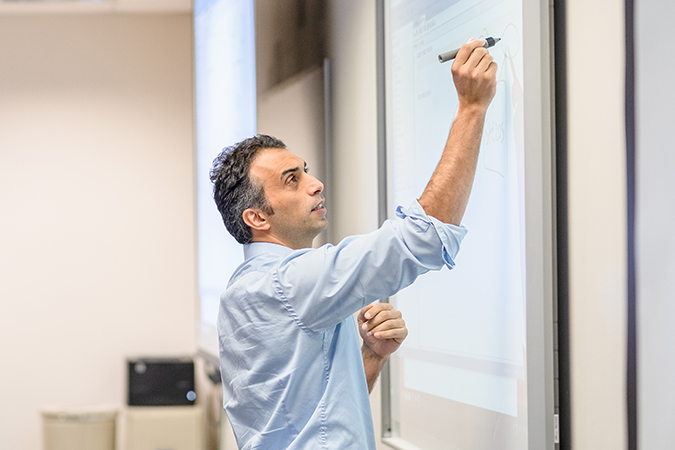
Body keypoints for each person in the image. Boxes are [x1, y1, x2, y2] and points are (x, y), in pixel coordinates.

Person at [209, 39, 497, 450]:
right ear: (257, 217)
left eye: (305, 170)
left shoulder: (245, 290)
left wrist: (371, 356)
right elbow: (425, 236)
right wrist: (472, 108)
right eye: (292, 179)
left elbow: (317, 413)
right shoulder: (286, 284)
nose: (315, 183)